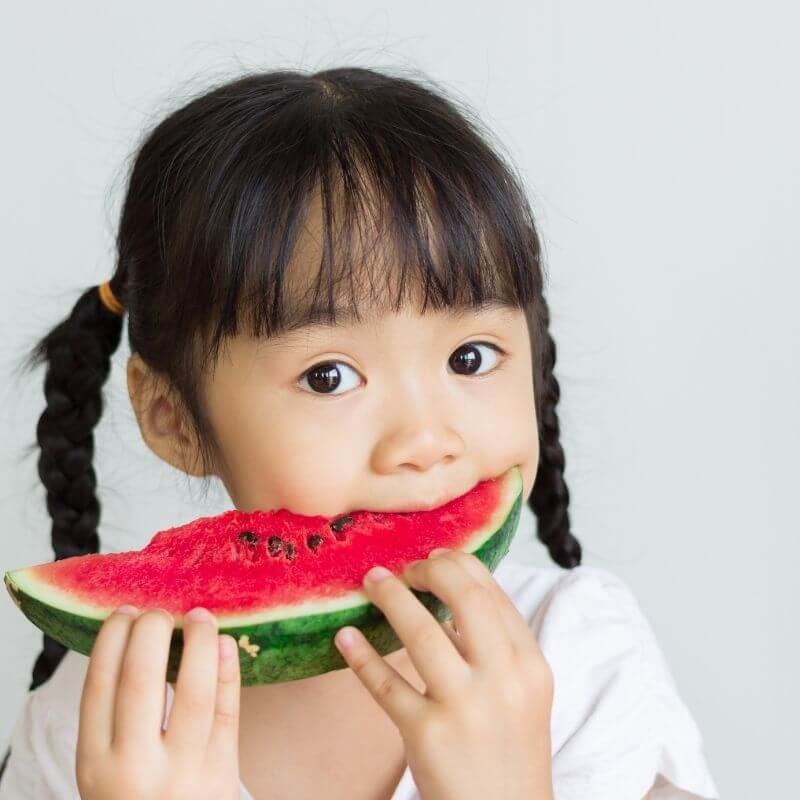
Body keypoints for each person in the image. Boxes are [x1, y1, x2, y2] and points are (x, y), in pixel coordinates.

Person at [0, 66, 720, 800]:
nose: (423, 439)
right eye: (329, 376)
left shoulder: (581, 655)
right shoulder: (101, 724)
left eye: (469, 357)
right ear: (173, 418)